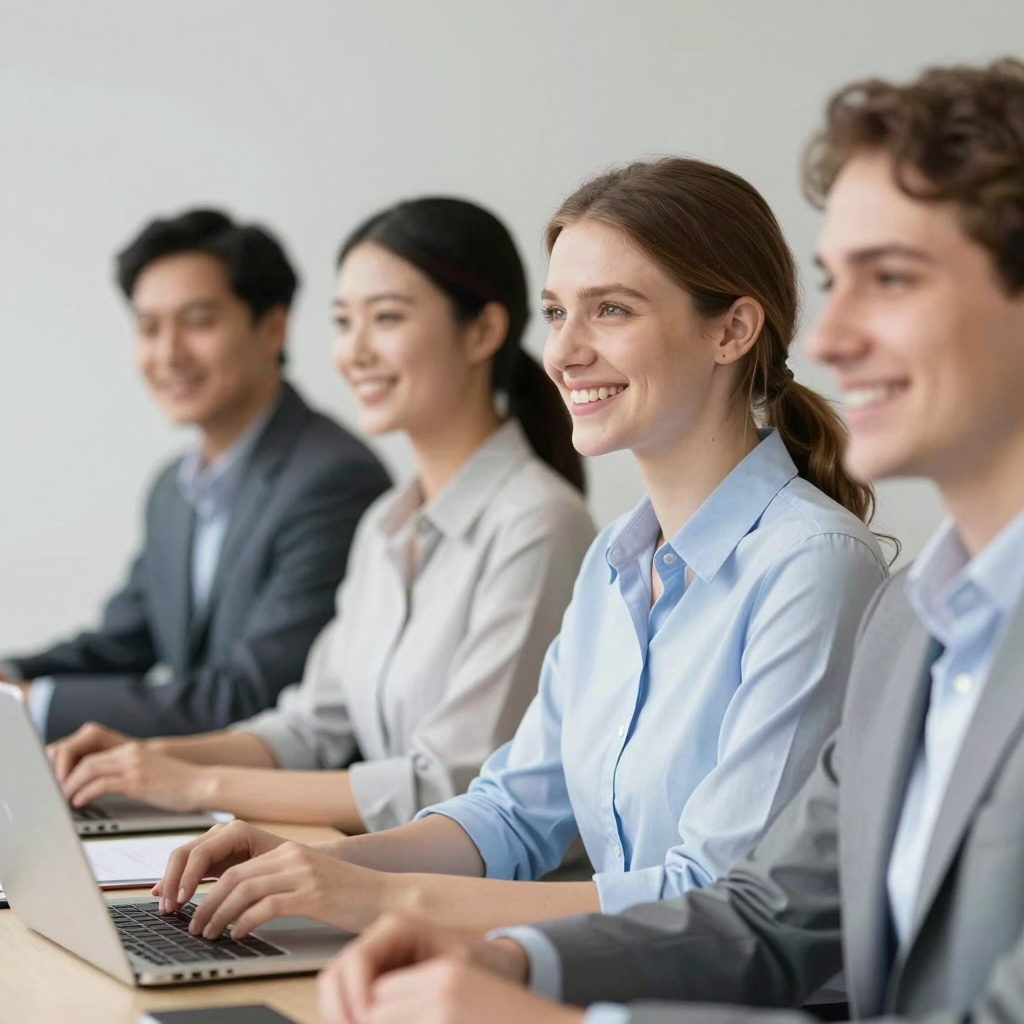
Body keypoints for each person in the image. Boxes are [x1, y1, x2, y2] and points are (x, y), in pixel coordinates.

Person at [314, 57, 1024, 1024]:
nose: (832, 336)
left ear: (733, 332)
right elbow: (763, 914)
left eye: (891, 279)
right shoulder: (916, 622)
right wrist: (512, 962)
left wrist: (516, 986)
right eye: (835, 283)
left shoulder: (826, 569)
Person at [149, 156, 888, 941]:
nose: (563, 352)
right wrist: (317, 864)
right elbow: (511, 811)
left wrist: (379, 898)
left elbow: (713, 898)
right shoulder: (616, 562)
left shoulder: (811, 566)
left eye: (611, 310)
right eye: (557, 312)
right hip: (612, 980)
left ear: (733, 330)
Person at [47, 197, 596, 834]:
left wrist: (195, 784)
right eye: (342, 322)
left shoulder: (539, 524)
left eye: (385, 318)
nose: (353, 352)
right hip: (383, 866)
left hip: (477, 886)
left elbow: (452, 784)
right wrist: (148, 756)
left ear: (482, 331)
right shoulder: (385, 524)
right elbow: (311, 725)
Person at [0, 208, 390, 742]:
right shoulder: (172, 489)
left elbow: (251, 693)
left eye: (198, 322)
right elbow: (122, 643)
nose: (169, 353)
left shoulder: (333, 479)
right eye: (149, 328)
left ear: (273, 328)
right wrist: (10, 679)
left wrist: (30, 705)